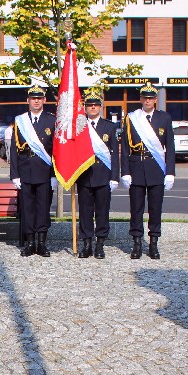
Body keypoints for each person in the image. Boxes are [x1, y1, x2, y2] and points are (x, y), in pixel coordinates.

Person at [121, 82, 175, 260]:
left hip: (156, 168)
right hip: (136, 166)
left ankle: (153, 243)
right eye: (145, 97)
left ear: (155, 100)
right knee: (136, 208)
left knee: (155, 208)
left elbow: (170, 148)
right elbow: (125, 148)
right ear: (140, 99)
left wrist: (170, 173)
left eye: (150, 98)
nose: (147, 101)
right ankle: (136, 243)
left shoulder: (164, 118)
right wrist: (125, 172)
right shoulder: (132, 118)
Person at [9, 86, 56, 257]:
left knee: (43, 208)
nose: (36, 101)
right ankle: (30, 243)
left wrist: (54, 175)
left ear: (44, 100)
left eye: (39, 98)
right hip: (25, 169)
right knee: (27, 208)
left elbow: (56, 151)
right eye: (33, 98)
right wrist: (15, 174)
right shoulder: (20, 121)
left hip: (44, 170)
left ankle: (41, 243)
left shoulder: (52, 121)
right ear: (28, 100)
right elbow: (14, 150)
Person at [75, 96, 119, 259]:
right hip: (84, 175)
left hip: (103, 175)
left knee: (102, 211)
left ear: (101, 107)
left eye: (95, 105)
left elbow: (114, 155)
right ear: (85, 108)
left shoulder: (109, 126)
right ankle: (86, 244)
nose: (92, 107)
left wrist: (115, 177)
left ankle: (100, 244)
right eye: (89, 105)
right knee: (85, 212)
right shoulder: (79, 126)